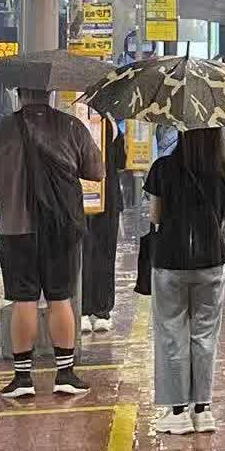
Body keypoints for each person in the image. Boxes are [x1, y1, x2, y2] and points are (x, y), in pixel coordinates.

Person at [0, 86, 106, 399]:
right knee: (60, 298)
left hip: (15, 228)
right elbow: (96, 171)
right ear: (50, 92)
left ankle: (22, 379)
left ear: (19, 93)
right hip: (61, 229)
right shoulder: (71, 126)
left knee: (23, 300)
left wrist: (9, 179)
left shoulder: (0, 129)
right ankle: (65, 375)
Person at [144, 126, 225, 435]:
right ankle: (203, 410)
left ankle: (178, 412)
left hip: (170, 261)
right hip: (211, 259)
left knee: (172, 333)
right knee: (205, 335)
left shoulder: (162, 168)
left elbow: (155, 217)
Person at [80, 120, 127, 333]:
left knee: (82, 254)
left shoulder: (73, 122)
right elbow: (121, 162)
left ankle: (83, 310)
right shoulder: (112, 123)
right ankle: (101, 312)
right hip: (107, 197)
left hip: (80, 195)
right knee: (105, 253)